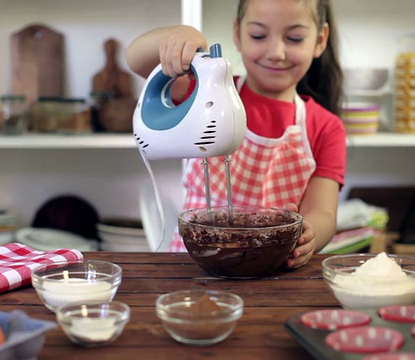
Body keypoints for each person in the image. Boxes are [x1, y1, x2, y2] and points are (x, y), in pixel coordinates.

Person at [126, 0, 346, 268]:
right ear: (237, 33)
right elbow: (136, 58)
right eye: (258, 35)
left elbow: (323, 211)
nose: (276, 52)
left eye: (294, 38)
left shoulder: (326, 126)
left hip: (270, 265)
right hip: (192, 265)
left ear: (320, 40)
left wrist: (307, 233)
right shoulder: (204, 94)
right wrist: (178, 37)